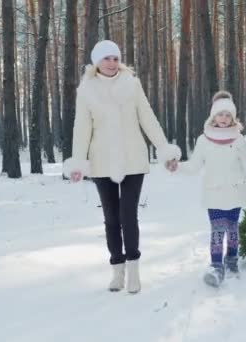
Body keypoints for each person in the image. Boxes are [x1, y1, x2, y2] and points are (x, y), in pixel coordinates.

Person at [63, 40, 181, 294]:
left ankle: (134, 270)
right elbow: (81, 129)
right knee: (111, 218)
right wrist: (77, 162)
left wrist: (164, 150)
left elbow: (148, 119)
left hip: (133, 160)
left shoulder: (132, 84)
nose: (112, 63)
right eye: (106, 58)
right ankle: (117, 270)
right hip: (101, 162)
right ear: (96, 62)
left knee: (129, 215)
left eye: (116, 58)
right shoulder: (87, 90)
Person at [172, 90, 246, 287]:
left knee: (232, 229)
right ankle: (216, 266)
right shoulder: (203, 140)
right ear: (213, 116)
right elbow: (194, 166)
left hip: (235, 192)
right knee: (217, 229)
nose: (224, 118)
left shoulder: (239, 139)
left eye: (228, 115)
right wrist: (177, 166)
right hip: (214, 194)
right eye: (220, 114)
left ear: (233, 118)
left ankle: (232, 260)